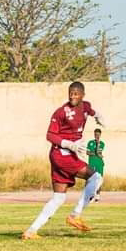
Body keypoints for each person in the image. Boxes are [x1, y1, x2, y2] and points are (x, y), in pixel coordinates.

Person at [22, 81, 105, 240]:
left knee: (58, 197)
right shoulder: (61, 112)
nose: (73, 96)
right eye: (70, 93)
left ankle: (31, 231)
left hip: (65, 155)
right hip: (62, 154)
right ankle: (75, 215)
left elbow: (91, 111)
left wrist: (99, 116)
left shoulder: (85, 106)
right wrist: (69, 144)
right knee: (96, 177)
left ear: (82, 95)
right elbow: (50, 135)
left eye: (76, 94)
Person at [87, 128, 105, 202]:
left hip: (99, 164)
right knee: (90, 179)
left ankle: (97, 196)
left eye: (98, 134)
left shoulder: (102, 143)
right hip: (91, 163)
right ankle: (91, 195)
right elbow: (87, 152)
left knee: (99, 180)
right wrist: (95, 153)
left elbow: (98, 153)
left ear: (100, 135)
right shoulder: (90, 142)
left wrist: (97, 144)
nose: (96, 136)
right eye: (95, 134)